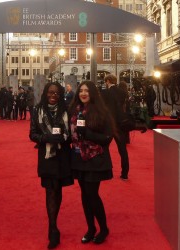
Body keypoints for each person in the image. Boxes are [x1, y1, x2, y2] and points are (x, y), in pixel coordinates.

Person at [68, 80, 117, 245]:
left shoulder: (101, 112)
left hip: (95, 158)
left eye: (87, 91)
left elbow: (107, 139)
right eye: (81, 90)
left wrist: (87, 133)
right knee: (84, 195)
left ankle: (103, 228)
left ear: (93, 93)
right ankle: (91, 228)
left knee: (92, 194)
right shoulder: (73, 111)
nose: (83, 93)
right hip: (78, 156)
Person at [29, 82, 73, 249]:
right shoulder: (37, 110)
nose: (53, 95)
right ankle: (53, 227)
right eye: (50, 92)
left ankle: (53, 223)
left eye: (56, 93)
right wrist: (45, 138)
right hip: (47, 156)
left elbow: (71, 134)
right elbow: (32, 134)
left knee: (58, 189)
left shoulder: (66, 110)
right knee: (50, 190)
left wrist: (63, 138)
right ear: (45, 93)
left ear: (60, 95)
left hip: (62, 155)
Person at [102, 74, 130, 180]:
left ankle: (105, 170)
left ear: (108, 81)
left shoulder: (105, 93)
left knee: (104, 148)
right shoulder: (123, 92)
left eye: (106, 81)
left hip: (109, 124)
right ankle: (125, 173)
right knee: (122, 150)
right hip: (120, 123)